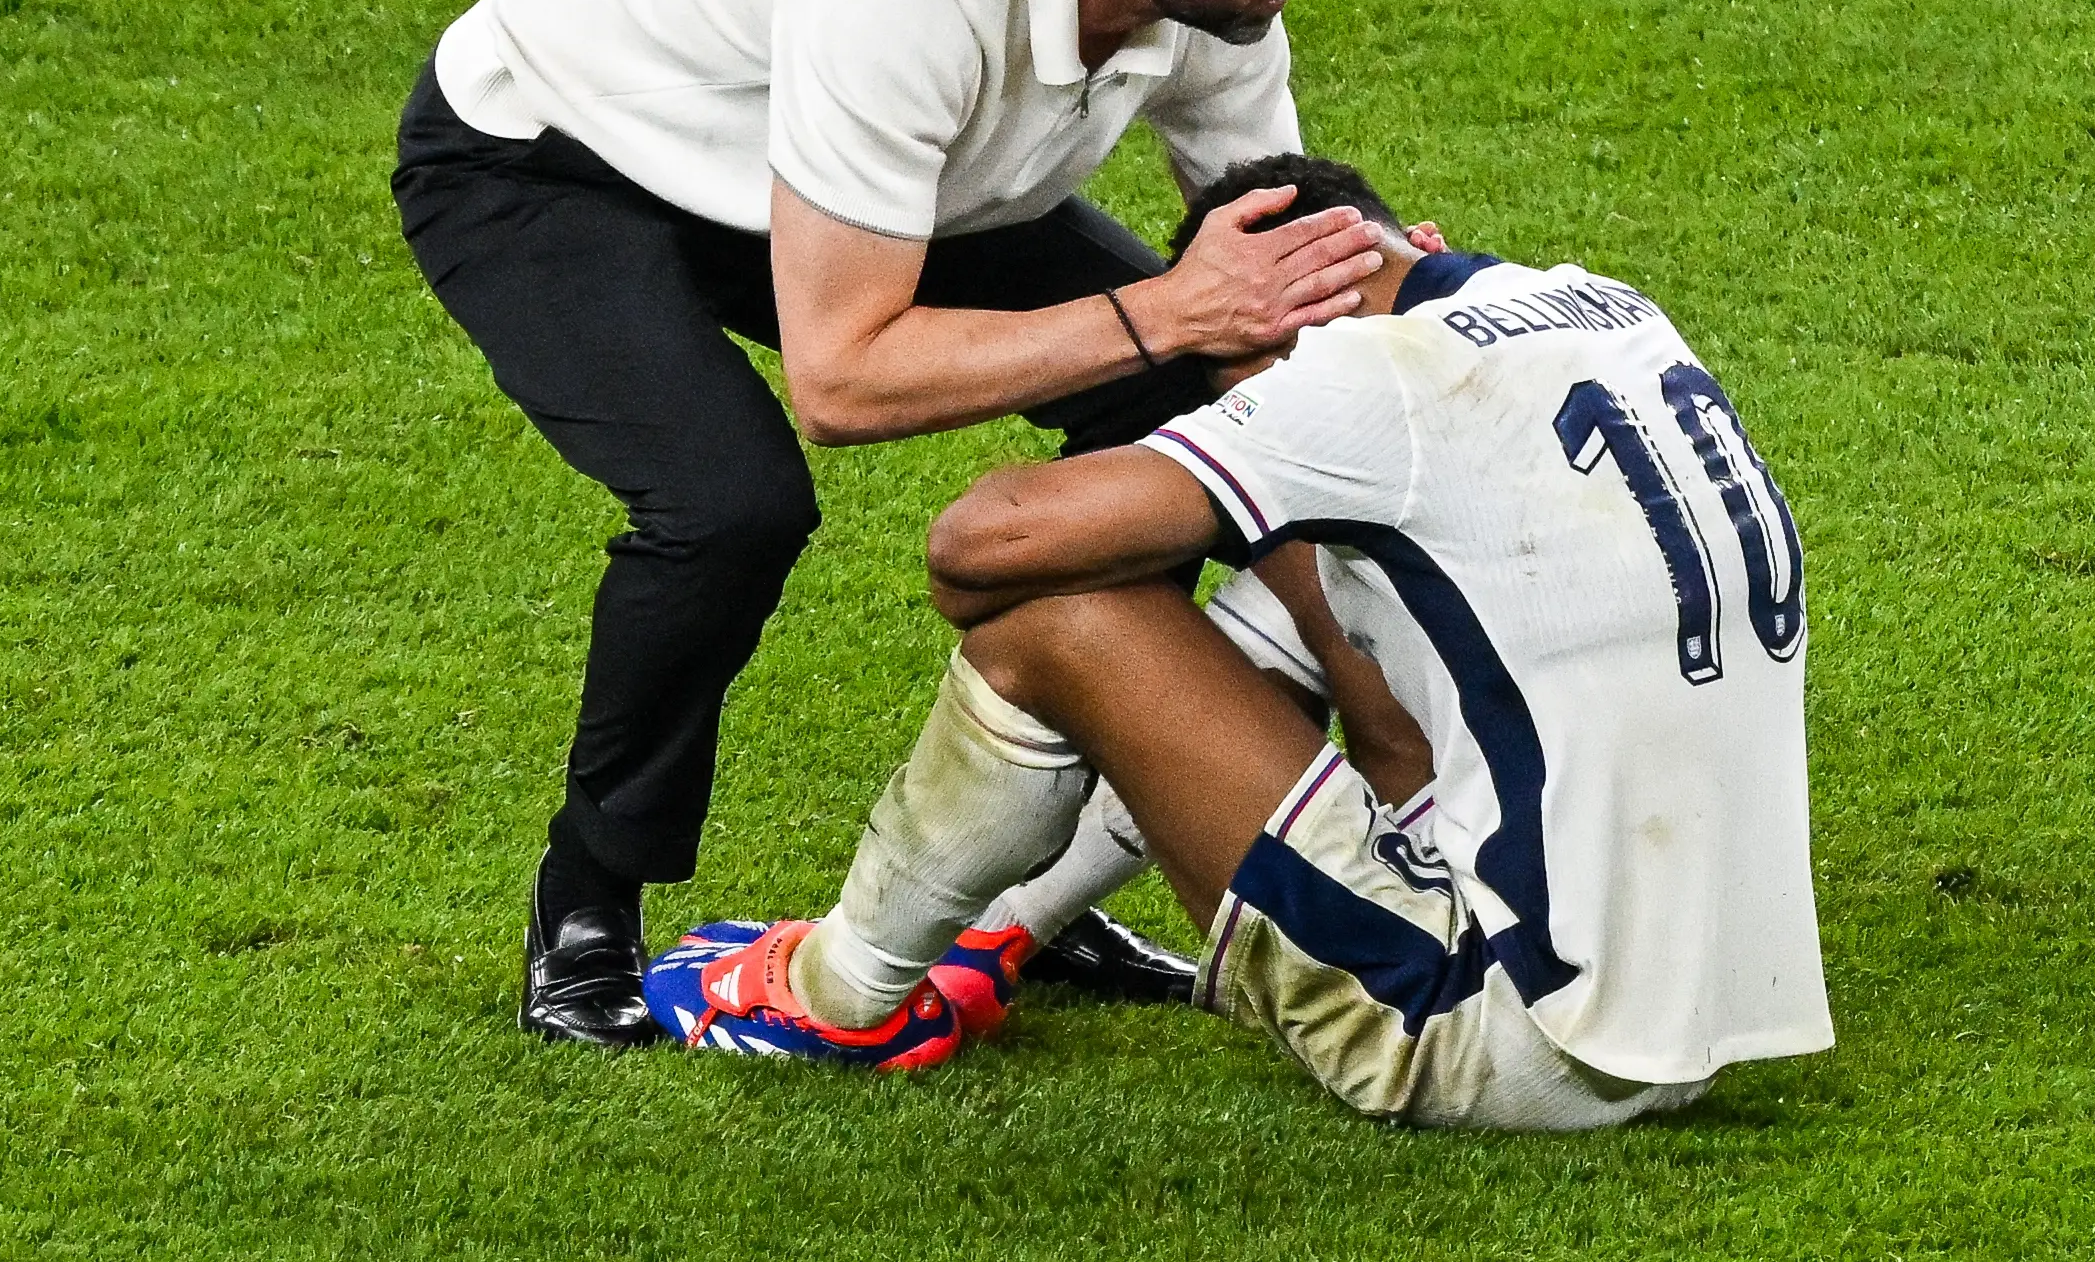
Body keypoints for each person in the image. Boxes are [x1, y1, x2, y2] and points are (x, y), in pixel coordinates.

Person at [392, 0, 1395, 1044]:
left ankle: (1014, 878)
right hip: (553, 155)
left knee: (1180, 402)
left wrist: (1407, 294)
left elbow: (1266, 296)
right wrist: (1166, 310)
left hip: (856, 168)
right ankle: (588, 904)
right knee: (727, 502)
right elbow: (845, 381)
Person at [645, 156, 1836, 1130]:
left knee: (1059, 608)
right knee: (1316, 579)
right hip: (1692, 1023)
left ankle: (840, 989)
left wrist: (1196, 373)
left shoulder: (1361, 379)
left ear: (1277, 316)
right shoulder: (1601, 304)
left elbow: (978, 545)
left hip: (1512, 1036)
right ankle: (1008, 925)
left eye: (1227, 373)